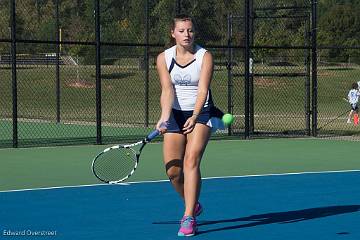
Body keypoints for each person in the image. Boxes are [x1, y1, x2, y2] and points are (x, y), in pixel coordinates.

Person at [155, 14, 220, 237]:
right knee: (173, 171)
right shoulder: (163, 58)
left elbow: (203, 89)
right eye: (181, 31)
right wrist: (164, 116)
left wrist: (194, 115)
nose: (187, 35)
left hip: (201, 112)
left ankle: (189, 216)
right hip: (174, 112)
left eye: (190, 30)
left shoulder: (205, 57)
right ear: (173, 33)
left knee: (191, 160)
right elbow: (167, 90)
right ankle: (192, 203)